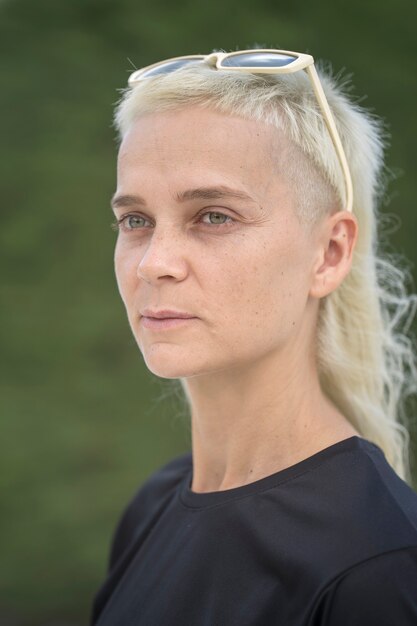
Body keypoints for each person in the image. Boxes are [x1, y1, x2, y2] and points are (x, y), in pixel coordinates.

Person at [90, 49, 417, 625]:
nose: (154, 264)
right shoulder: (155, 504)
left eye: (214, 216)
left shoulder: (379, 567)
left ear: (330, 253)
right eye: (135, 220)